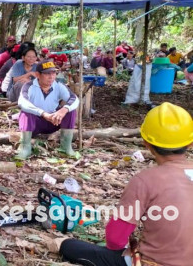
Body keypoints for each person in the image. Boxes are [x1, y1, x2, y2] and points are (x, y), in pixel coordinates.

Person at [59, 102, 193, 266]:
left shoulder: (145, 181)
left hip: (153, 262)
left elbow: (115, 239)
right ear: (190, 143)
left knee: (69, 246)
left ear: (146, 142)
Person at [15, 60, 80, 160]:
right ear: (37, 75)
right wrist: (43, 113)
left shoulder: (58, 85)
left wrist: (64, 109)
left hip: (53, 121)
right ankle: (25, 147)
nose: (51, 77)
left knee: (70, 110)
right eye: (47, 74)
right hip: (34, 124)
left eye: (53, 73)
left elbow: (74, 99)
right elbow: (22, 102)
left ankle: (66, 147)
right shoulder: (29, 86)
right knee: (26, 112)